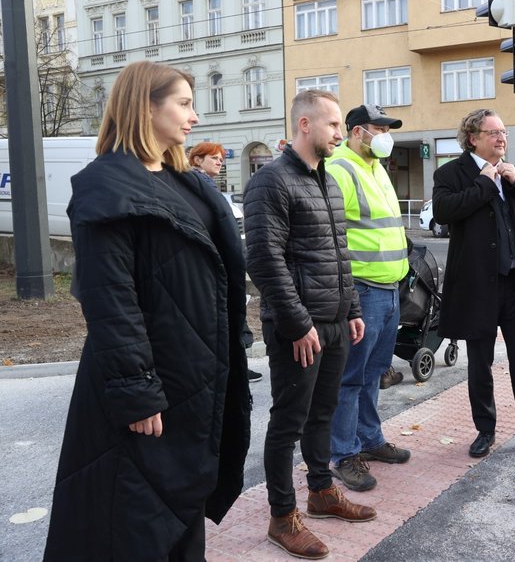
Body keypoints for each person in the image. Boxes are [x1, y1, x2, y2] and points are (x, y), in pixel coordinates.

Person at [43, 61, 252, 560]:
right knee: (133, 519)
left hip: (197, 378)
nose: (195, 117)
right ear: (145, 107)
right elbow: (109, 297)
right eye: (183, 103)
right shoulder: (107, 186)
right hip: (150, 386)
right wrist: (137, 391)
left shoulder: (187, 183)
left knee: (181, 507)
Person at [244, 90, 374, 560]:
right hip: (298, 328)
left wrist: (353, 309)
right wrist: (298, 324)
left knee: (323, 414)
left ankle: (321, 492)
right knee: (288, 422)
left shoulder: (326, 179)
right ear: (305, 125)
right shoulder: (271, 182)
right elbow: (263, 259)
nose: (341, 133)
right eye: (334, 125)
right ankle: (283, 517)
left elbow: (340, 253)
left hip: (335, 321)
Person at [432, 108, 515, 460]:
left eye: (503, 131)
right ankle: (485, 431)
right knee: (480, 365)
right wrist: (485, 183)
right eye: (493, 132)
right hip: (477, 288)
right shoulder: (451, 173)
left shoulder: (513, 172)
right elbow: (444, 212)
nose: (501, 138)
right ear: (473, 138)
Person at [325, 104, 411, 492]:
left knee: (374, 373)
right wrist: (347, 297)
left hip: (389, 289)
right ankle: (343, 454)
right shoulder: (340, 168)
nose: (385, 135)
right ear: (358, 132)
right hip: (361, 291)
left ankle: (370, 440)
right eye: (380, 129)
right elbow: (331, 238)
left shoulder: (375, 167)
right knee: (350, 378)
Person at [189, 141, 264, 383]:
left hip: (224, 264)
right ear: (197, 160)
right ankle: (232, 371)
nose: (219, 161)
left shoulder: (209, 186)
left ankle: (235, 368)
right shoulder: (197, 185)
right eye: (213, 157)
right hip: (214, 268)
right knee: (224, 320)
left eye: (221, 158)